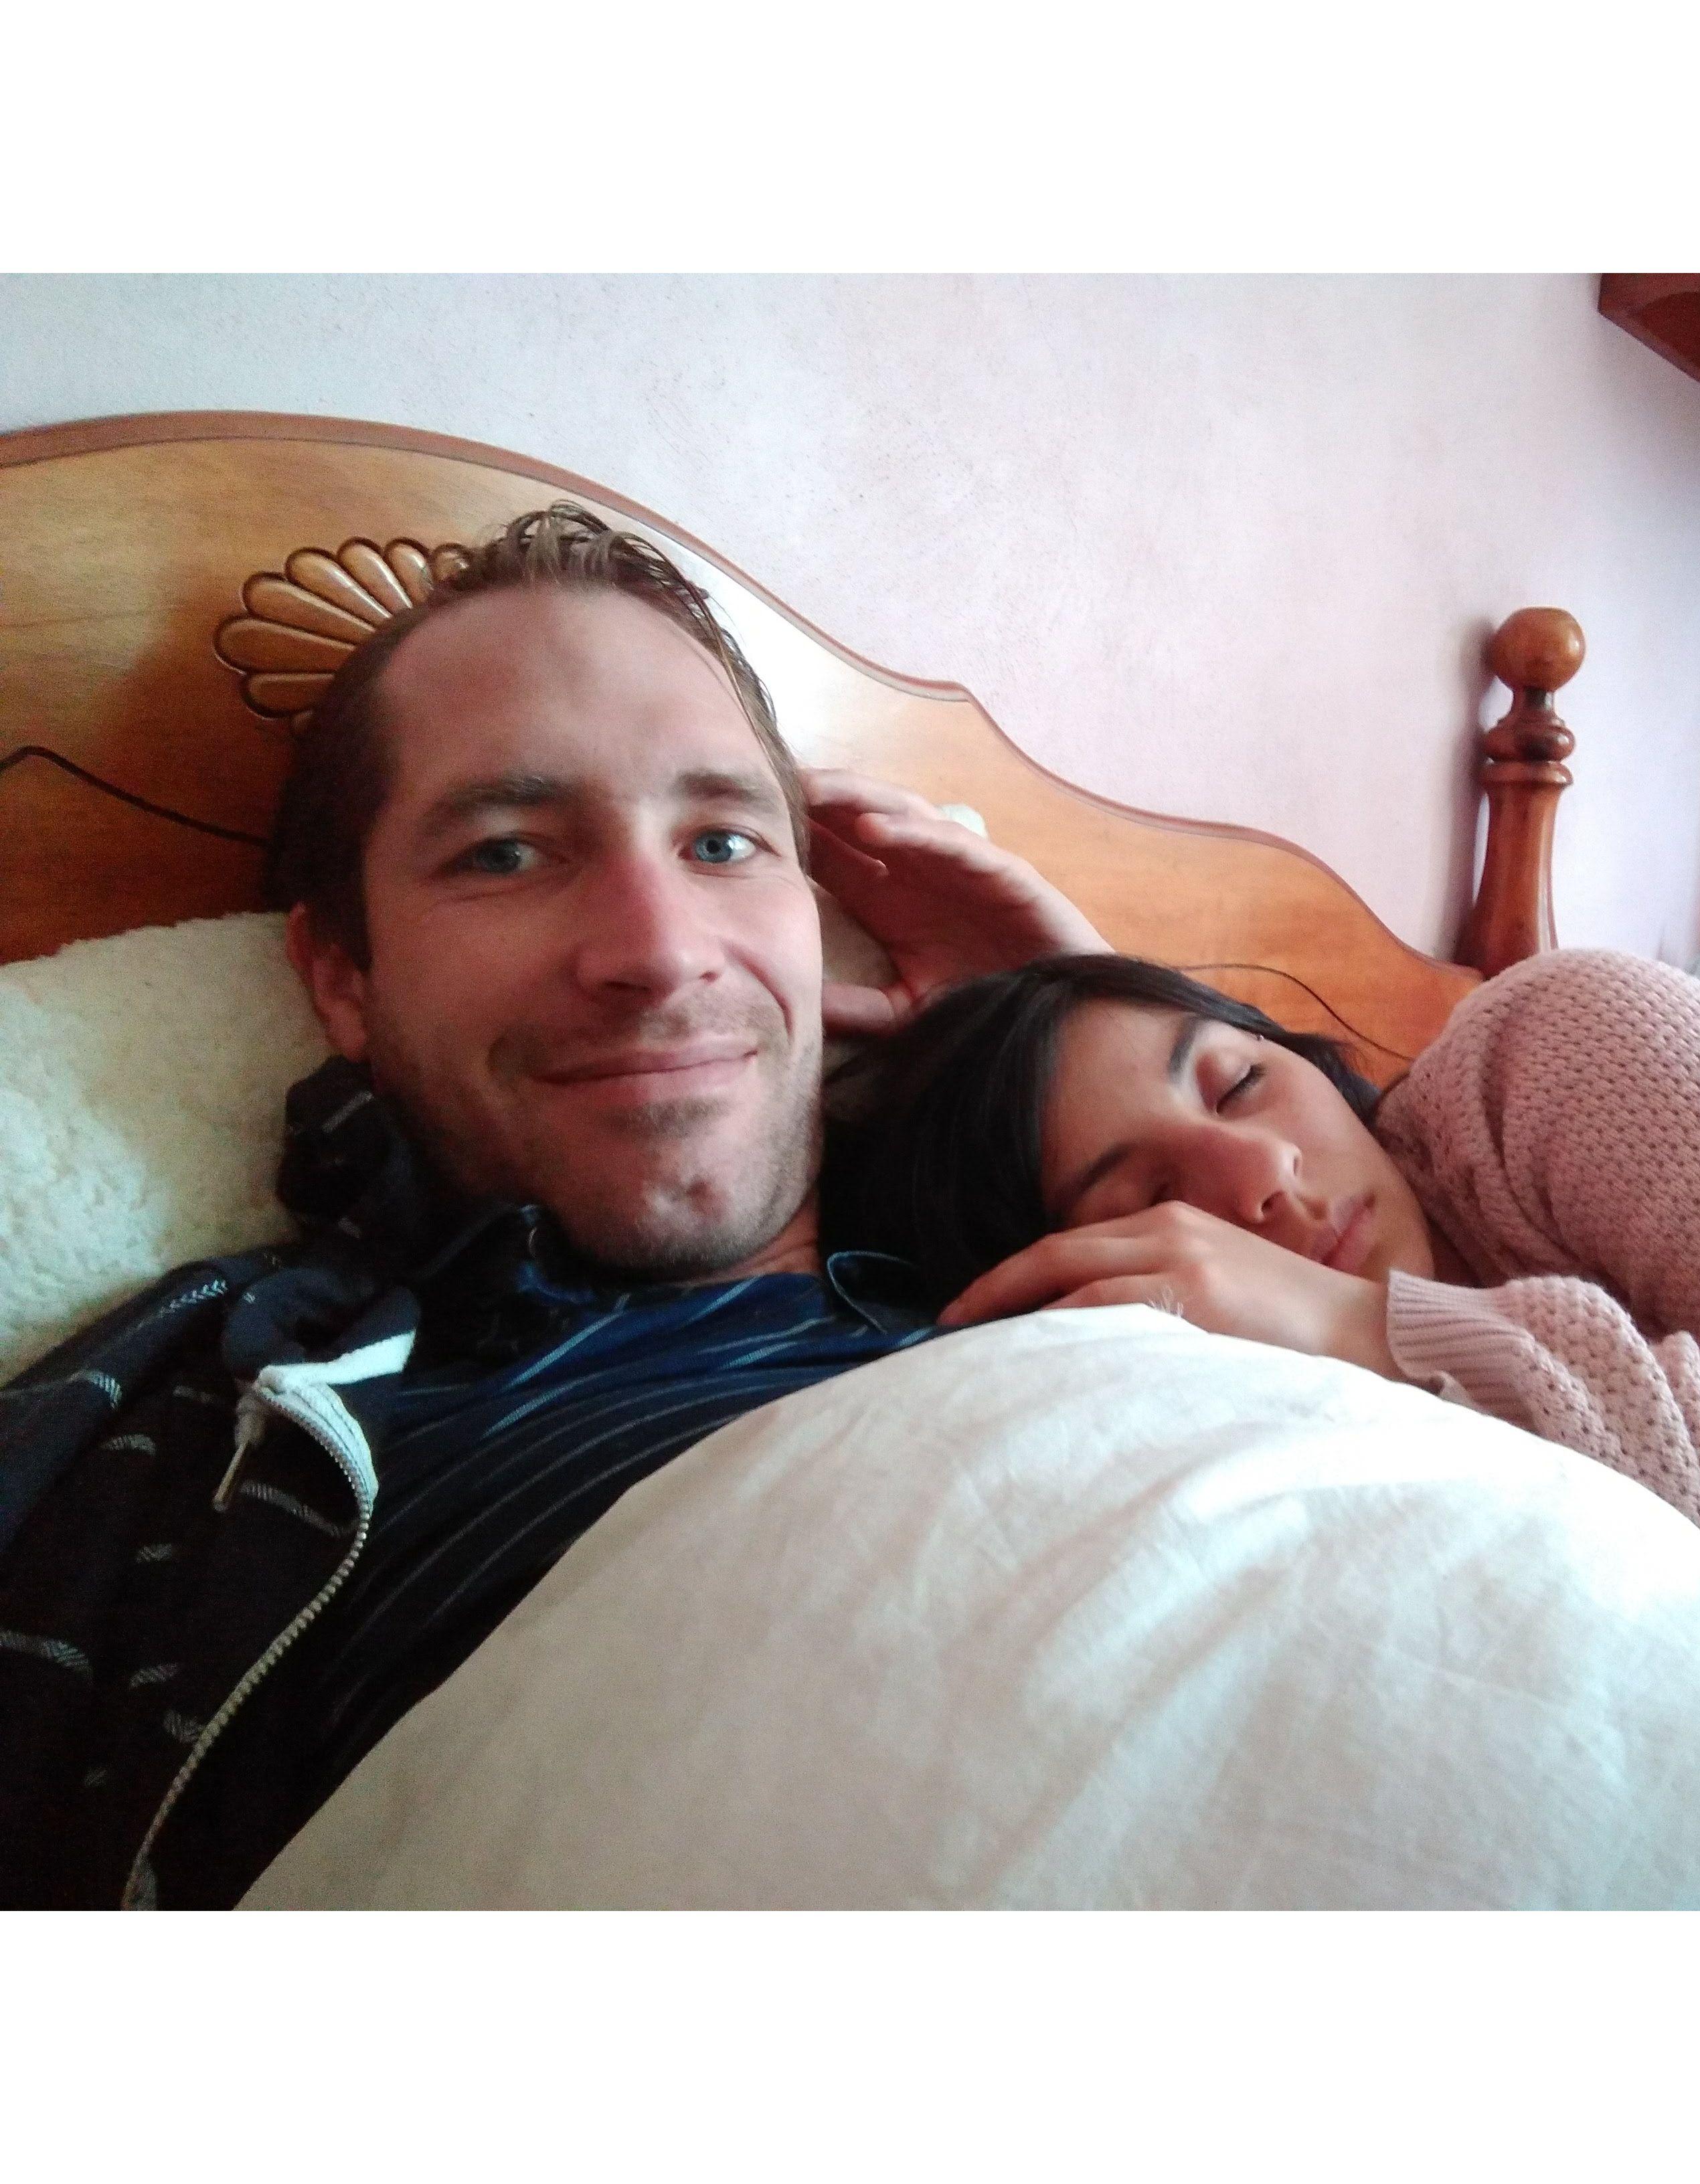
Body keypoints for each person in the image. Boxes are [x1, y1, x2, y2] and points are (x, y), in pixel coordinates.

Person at [0, 505, 1099, 1908]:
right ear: (341, 978)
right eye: (507, 853)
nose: (660, 951)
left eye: (722, 844)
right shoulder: (222, 1433)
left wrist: (1078, 1036)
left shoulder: (1093, 1254)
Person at [823, 951, 1700, 1705]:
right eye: (1154, 1201)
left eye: (1239, 1083)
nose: (1258, 1174)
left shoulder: (1550, 1053)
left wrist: (1376, 1328)